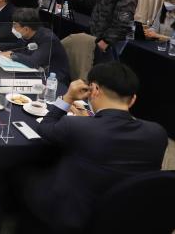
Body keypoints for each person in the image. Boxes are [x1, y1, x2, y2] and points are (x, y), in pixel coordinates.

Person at [23, 62, 167, 232]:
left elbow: (45, 127)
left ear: (95, 90)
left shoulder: (77, 126)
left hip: (72, 216)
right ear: (133, 99)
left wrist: (68, 97)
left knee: (21, 171)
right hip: (126, 214)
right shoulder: (157, 133)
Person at [0, 8, 71, 85]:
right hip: (36, 72)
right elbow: (19, 46)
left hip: (54, 81)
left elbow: (34, 62)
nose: (13, 28)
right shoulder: (29, 33)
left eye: (15, 25)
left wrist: (12, 55)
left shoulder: (48, 39)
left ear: (26, 29)